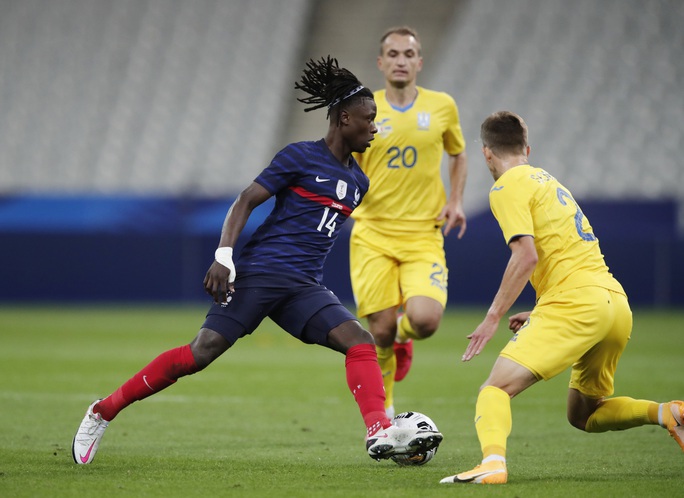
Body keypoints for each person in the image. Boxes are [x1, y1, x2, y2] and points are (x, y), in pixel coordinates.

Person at [71, 56, 442, 465]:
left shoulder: (359, 181)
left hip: (304, 285)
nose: (375, 128)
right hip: (261, 273)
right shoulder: (299, 156)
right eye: (369, 119)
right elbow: (246, 201)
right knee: (201, 352)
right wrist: (223, 257)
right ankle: (102, 411)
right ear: (342, 118)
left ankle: (378, 429)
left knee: (360, 342)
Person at [440, 111, 683, 485]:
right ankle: (669, 413)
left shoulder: (507, 186)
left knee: (494, 388)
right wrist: (540, 309)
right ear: (527, 148)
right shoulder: (552, 182)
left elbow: (526, 255)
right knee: (584, 414)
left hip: (578, 305)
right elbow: (565, 255)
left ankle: (492, 464)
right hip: (613, 303)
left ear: (487, 154)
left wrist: (492, 317)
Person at [350, 26, 468, 418]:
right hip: (372, 232)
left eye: (408, 54)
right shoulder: (364, 108)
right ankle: (384, 419)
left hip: (423, 232)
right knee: (378, 331)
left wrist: (455, 200)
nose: (401, 60)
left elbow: (459, 153)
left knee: (426, 319)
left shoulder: (442, 106)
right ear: (381, 62)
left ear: (419, 62)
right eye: (393, 54)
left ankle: (406, 336)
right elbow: (347, 161)